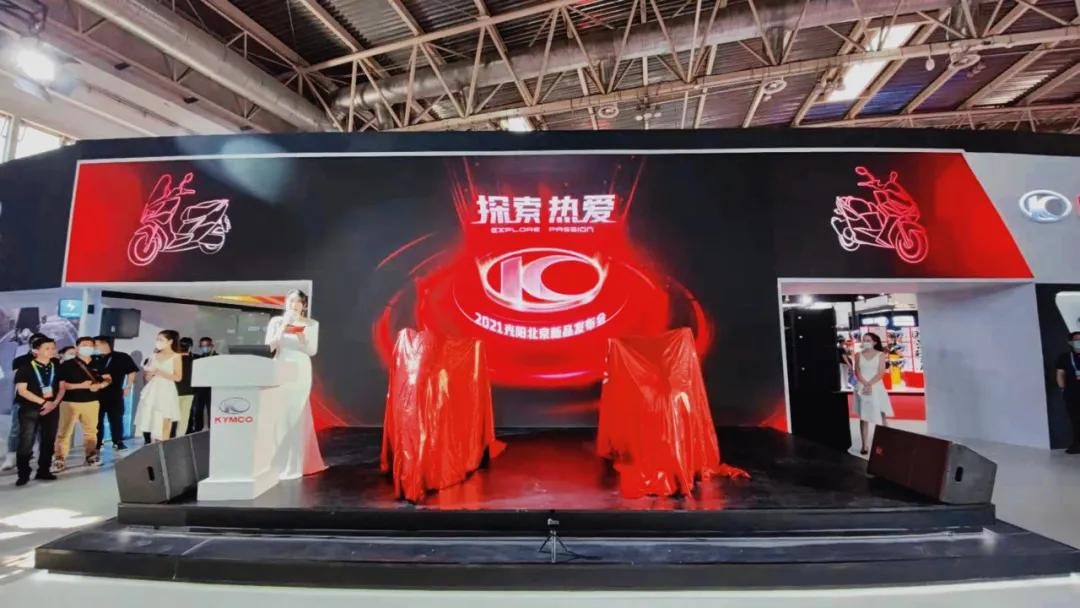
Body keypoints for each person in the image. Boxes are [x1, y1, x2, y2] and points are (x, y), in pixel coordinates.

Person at [265, 290, 326, 479]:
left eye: (299, 302)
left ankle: (295, 465)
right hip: (280, 365)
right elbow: (270, 346)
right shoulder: (276, 322)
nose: (294, 305)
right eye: (291, 301)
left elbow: (312, 350)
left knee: (295, 413)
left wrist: (302, 339)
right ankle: (275, 463)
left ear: (304, 305)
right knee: (278, 415)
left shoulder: (312, 324)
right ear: (286, 303)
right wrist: (283, 326)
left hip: (300, 368)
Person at [13, 336, 62, 485]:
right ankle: (23, 473)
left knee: (49, 440)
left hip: (52, 409)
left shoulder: (57, 366)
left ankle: (44, 470)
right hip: (30, 408)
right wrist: (44, 403)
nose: (51, 351)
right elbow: (22, 390)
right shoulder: (26, 367)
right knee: (26, 441)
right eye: (47, 348)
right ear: (36, 350)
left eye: (53, 348)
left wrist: (54, 404)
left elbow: (62, 387)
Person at [55, 336, 109, 470]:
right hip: (69, 402)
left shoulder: (98, 363)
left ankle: (91, 456)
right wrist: (81, 385)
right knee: (64, 432)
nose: (87, 347)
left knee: (91, 432)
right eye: (84, 345)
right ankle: (59, 459)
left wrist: (101, 385)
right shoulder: (67, 365)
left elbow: (108, 378)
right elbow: (62, 385)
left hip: (92, 402)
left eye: (90, 345)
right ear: (77, 347)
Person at [1, 332, 46, 472]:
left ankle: (41, 456)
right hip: (23, 401)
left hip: (45, 401)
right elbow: (18, 379)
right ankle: (11, 456)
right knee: (17, 429)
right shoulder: (21, 360)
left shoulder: (52, 361)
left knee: (42, 431)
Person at [134, 330, 182, 443]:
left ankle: (164, 446)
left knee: (164, 419)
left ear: (170, 341)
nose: (158, 342)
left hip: (166, 390)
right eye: (157, 339)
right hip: (152, 389)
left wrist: (159, 372)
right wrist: (148, 375)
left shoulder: (176, 356)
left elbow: (178, 377)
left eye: (161, 339)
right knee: (150, 418)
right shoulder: (153, 356)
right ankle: (151, 444)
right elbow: (147, 377)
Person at [92, 336, 139, 451]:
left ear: (105, 344)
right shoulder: (93, 358)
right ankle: (98, 442)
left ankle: (117, 441)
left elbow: (131, 371)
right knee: (96, 420)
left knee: (116, 419)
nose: (94, 347)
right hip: (95, 394)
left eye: (96, 344)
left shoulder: (121, 357)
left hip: (115, 393)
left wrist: (128, 386)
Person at [853, 332, 894, 455]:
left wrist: (869, 384)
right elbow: (857, 372)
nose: (865, 342)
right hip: (862, 386)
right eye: (864, 340)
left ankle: (886, 441)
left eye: (868, 340)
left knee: (882, 414)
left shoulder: (881, 355)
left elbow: (881, 372)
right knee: (863, 416)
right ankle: (864, 445)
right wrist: (865, 384)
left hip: (877, 386)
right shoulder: (858, 355)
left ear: (875, 342)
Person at [1055, 331, 1080, 454]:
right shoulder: (1064, 357)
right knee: (1076, 420)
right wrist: (1062, 388)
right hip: (1072, 394)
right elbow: (1060, 374)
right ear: (1071, 342)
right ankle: (1077, 445)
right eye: (1077, 340)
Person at [188, 337, 216, 433]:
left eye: (207, 345)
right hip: (199, 388)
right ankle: (197, 430)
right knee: (198, 410)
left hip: (212, 388)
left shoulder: (218, 357)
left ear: (212, 345)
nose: (205, 348)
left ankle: (213, 429)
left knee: (212, 410)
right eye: (202, 346)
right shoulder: (198, 358)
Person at [175, 337, 196, 437]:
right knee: (184, 417)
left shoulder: (173, 360)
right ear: (190, 347)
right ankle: (179, 437)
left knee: (170, 416)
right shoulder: (195, 361)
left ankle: (168, 438)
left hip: (174, 391)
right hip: (189, 392)